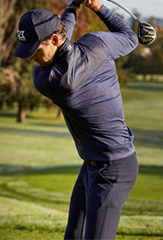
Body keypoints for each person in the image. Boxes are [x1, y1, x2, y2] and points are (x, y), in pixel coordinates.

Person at [14, 0, 139, 239]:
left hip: (113, 167)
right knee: (73, 235)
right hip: (92, 165)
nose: (31, 58)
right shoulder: (97, 44)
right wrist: (93, 6)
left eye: (34, 50)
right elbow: (129, 37)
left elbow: (64, 34)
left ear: (53, 41)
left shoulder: (50, 80)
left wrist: (74, 7)